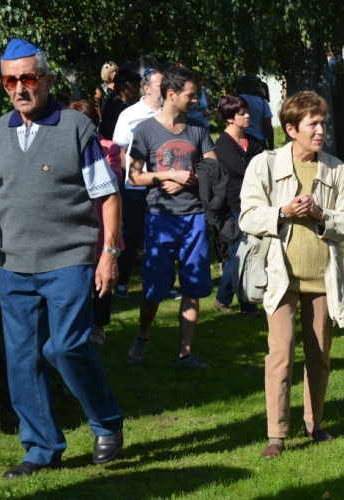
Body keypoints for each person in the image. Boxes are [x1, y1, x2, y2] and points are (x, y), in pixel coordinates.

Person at [0, 38, 123, 478]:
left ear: (47, 80)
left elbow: (107, 194)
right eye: (10, 79)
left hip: (69, 260)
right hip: (14, 264)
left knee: (66, 345)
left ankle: (106, 421)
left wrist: (108, 253)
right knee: (21, 358)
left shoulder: (75, 127)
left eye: (28, 77)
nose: (19, 87)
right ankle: (41, 448)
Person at [239, 91, 344, 459]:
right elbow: (247, 215)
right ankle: (276, 434)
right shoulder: (264, 164)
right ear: (292, 129)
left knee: (320, 355)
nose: (321, 130)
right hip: (280, 277)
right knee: (281, 352)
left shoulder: (336, 169)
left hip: (322, 278)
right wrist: (283, 211)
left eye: (323, 123)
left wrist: (322, 214)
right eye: (313, 124)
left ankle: (314, 423)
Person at [125, 65, 217, 369]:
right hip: (160, 218)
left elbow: (214, 169)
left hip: (194, 218)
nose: (195, 100)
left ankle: (185, 354)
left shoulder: (198, 129)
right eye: (191, 95)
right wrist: (167, 174)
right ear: (171, 94)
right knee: (154, 288)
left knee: (193, 285)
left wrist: (187, 176)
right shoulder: (145, 130)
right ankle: (143, 335)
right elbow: (134, 177)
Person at [69, 99, 125, 346]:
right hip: (75, 223)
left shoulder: (108, 147)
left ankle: (99, 326)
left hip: (103, 221)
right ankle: (78, 326)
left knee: (103, 278)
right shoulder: (65, 145)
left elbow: (115, 178)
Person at [111, 68, 163, 299]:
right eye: (161, 85)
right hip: (136, 184)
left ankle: (160, 282)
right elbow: (119, 151)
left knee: (161, 234)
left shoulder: (169, 114)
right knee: (132, 234)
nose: (166, 89)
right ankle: (121, 281)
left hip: (164, 183)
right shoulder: (129, 114)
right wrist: (132, 175)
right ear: (147, 88)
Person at [211, 95, 265, 316]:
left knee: (249, 251)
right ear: (229, 118)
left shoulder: (253, 141)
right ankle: (233, 300)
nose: (247, 116)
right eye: (242, 113)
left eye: (247, 111)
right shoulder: (222, 145)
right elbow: (246, 170)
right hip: (233, 205)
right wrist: (252, 165)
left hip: (256, 202)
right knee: (240, 252)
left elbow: (263, 164)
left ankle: (242, 300)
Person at [98, 67, 141, 140]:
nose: (138, 88)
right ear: (123, 87)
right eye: (134, 85)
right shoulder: (113, 108)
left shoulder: (134, 104)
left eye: (138, 84)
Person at [239, 74, 274, 150]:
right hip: (259, 140)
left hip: (241, 139)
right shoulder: (263, 103)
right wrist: (271, 146)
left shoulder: (238, 100)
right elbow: (268, 125)